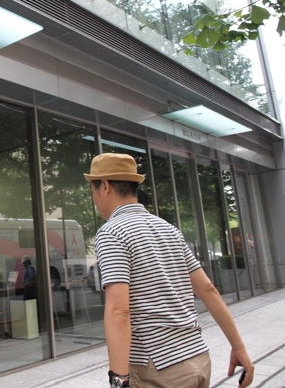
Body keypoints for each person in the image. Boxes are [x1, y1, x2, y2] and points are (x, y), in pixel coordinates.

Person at [84, 153, 254, 388]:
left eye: (93, 190)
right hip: (198, 359)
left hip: (157, 369)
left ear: (104, 186)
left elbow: (119, 311)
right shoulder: (169, 229)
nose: (94, 199)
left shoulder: (112, 232)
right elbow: (208, 289)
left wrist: (119, 380)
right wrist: (238, 347)